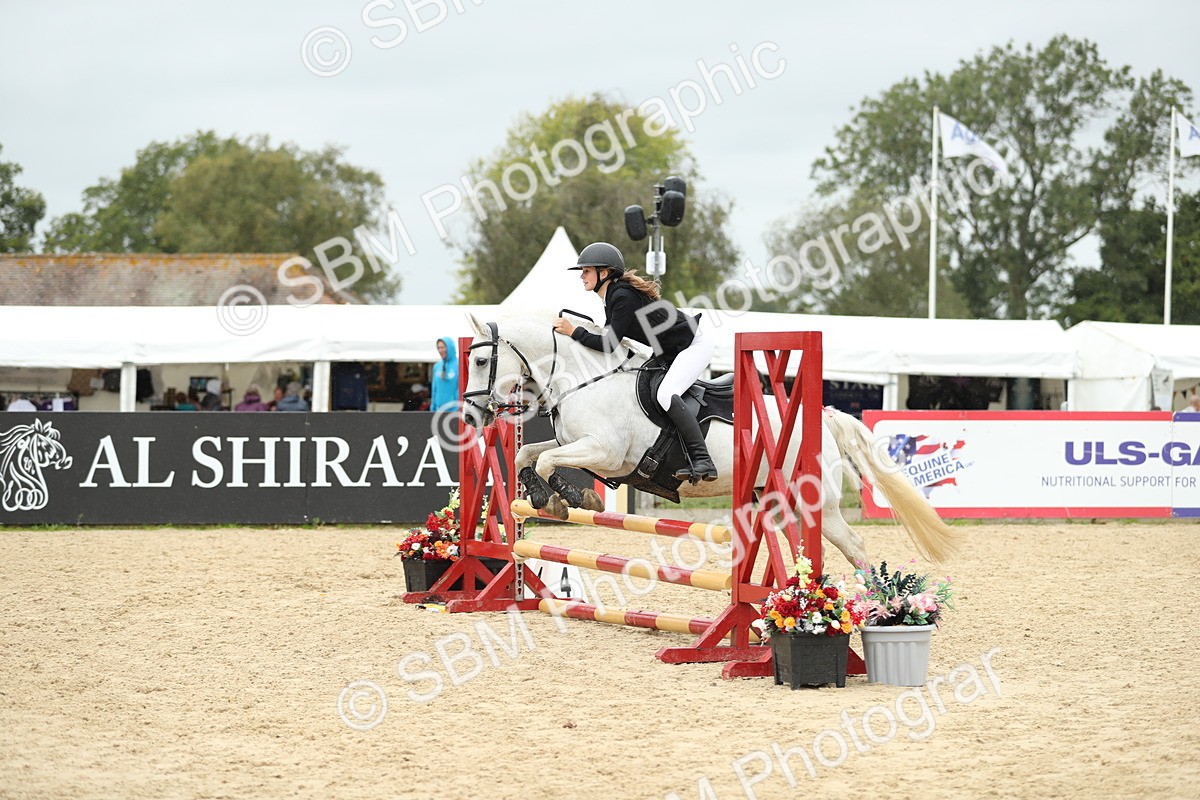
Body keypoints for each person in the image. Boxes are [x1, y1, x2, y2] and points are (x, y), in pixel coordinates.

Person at [551, 241, 717, 482]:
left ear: (604, 273)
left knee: (665, 394)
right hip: (668, 350)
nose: (582, 276)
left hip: (692, 346)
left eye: (586, 271)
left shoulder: (622, 296)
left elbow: (608, 344)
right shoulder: (612, 296)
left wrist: (573, 331)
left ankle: (703, 460)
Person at [431, 336, 460, 412]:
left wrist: (456, 408)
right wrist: (433, 407)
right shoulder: (437, 366)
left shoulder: (459, 364)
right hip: (438, 410)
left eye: (443, 347)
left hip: (454, 411)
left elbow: (461, 389)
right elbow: (434, 389)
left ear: (450, 347)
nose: (440, 350)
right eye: (438, 348)